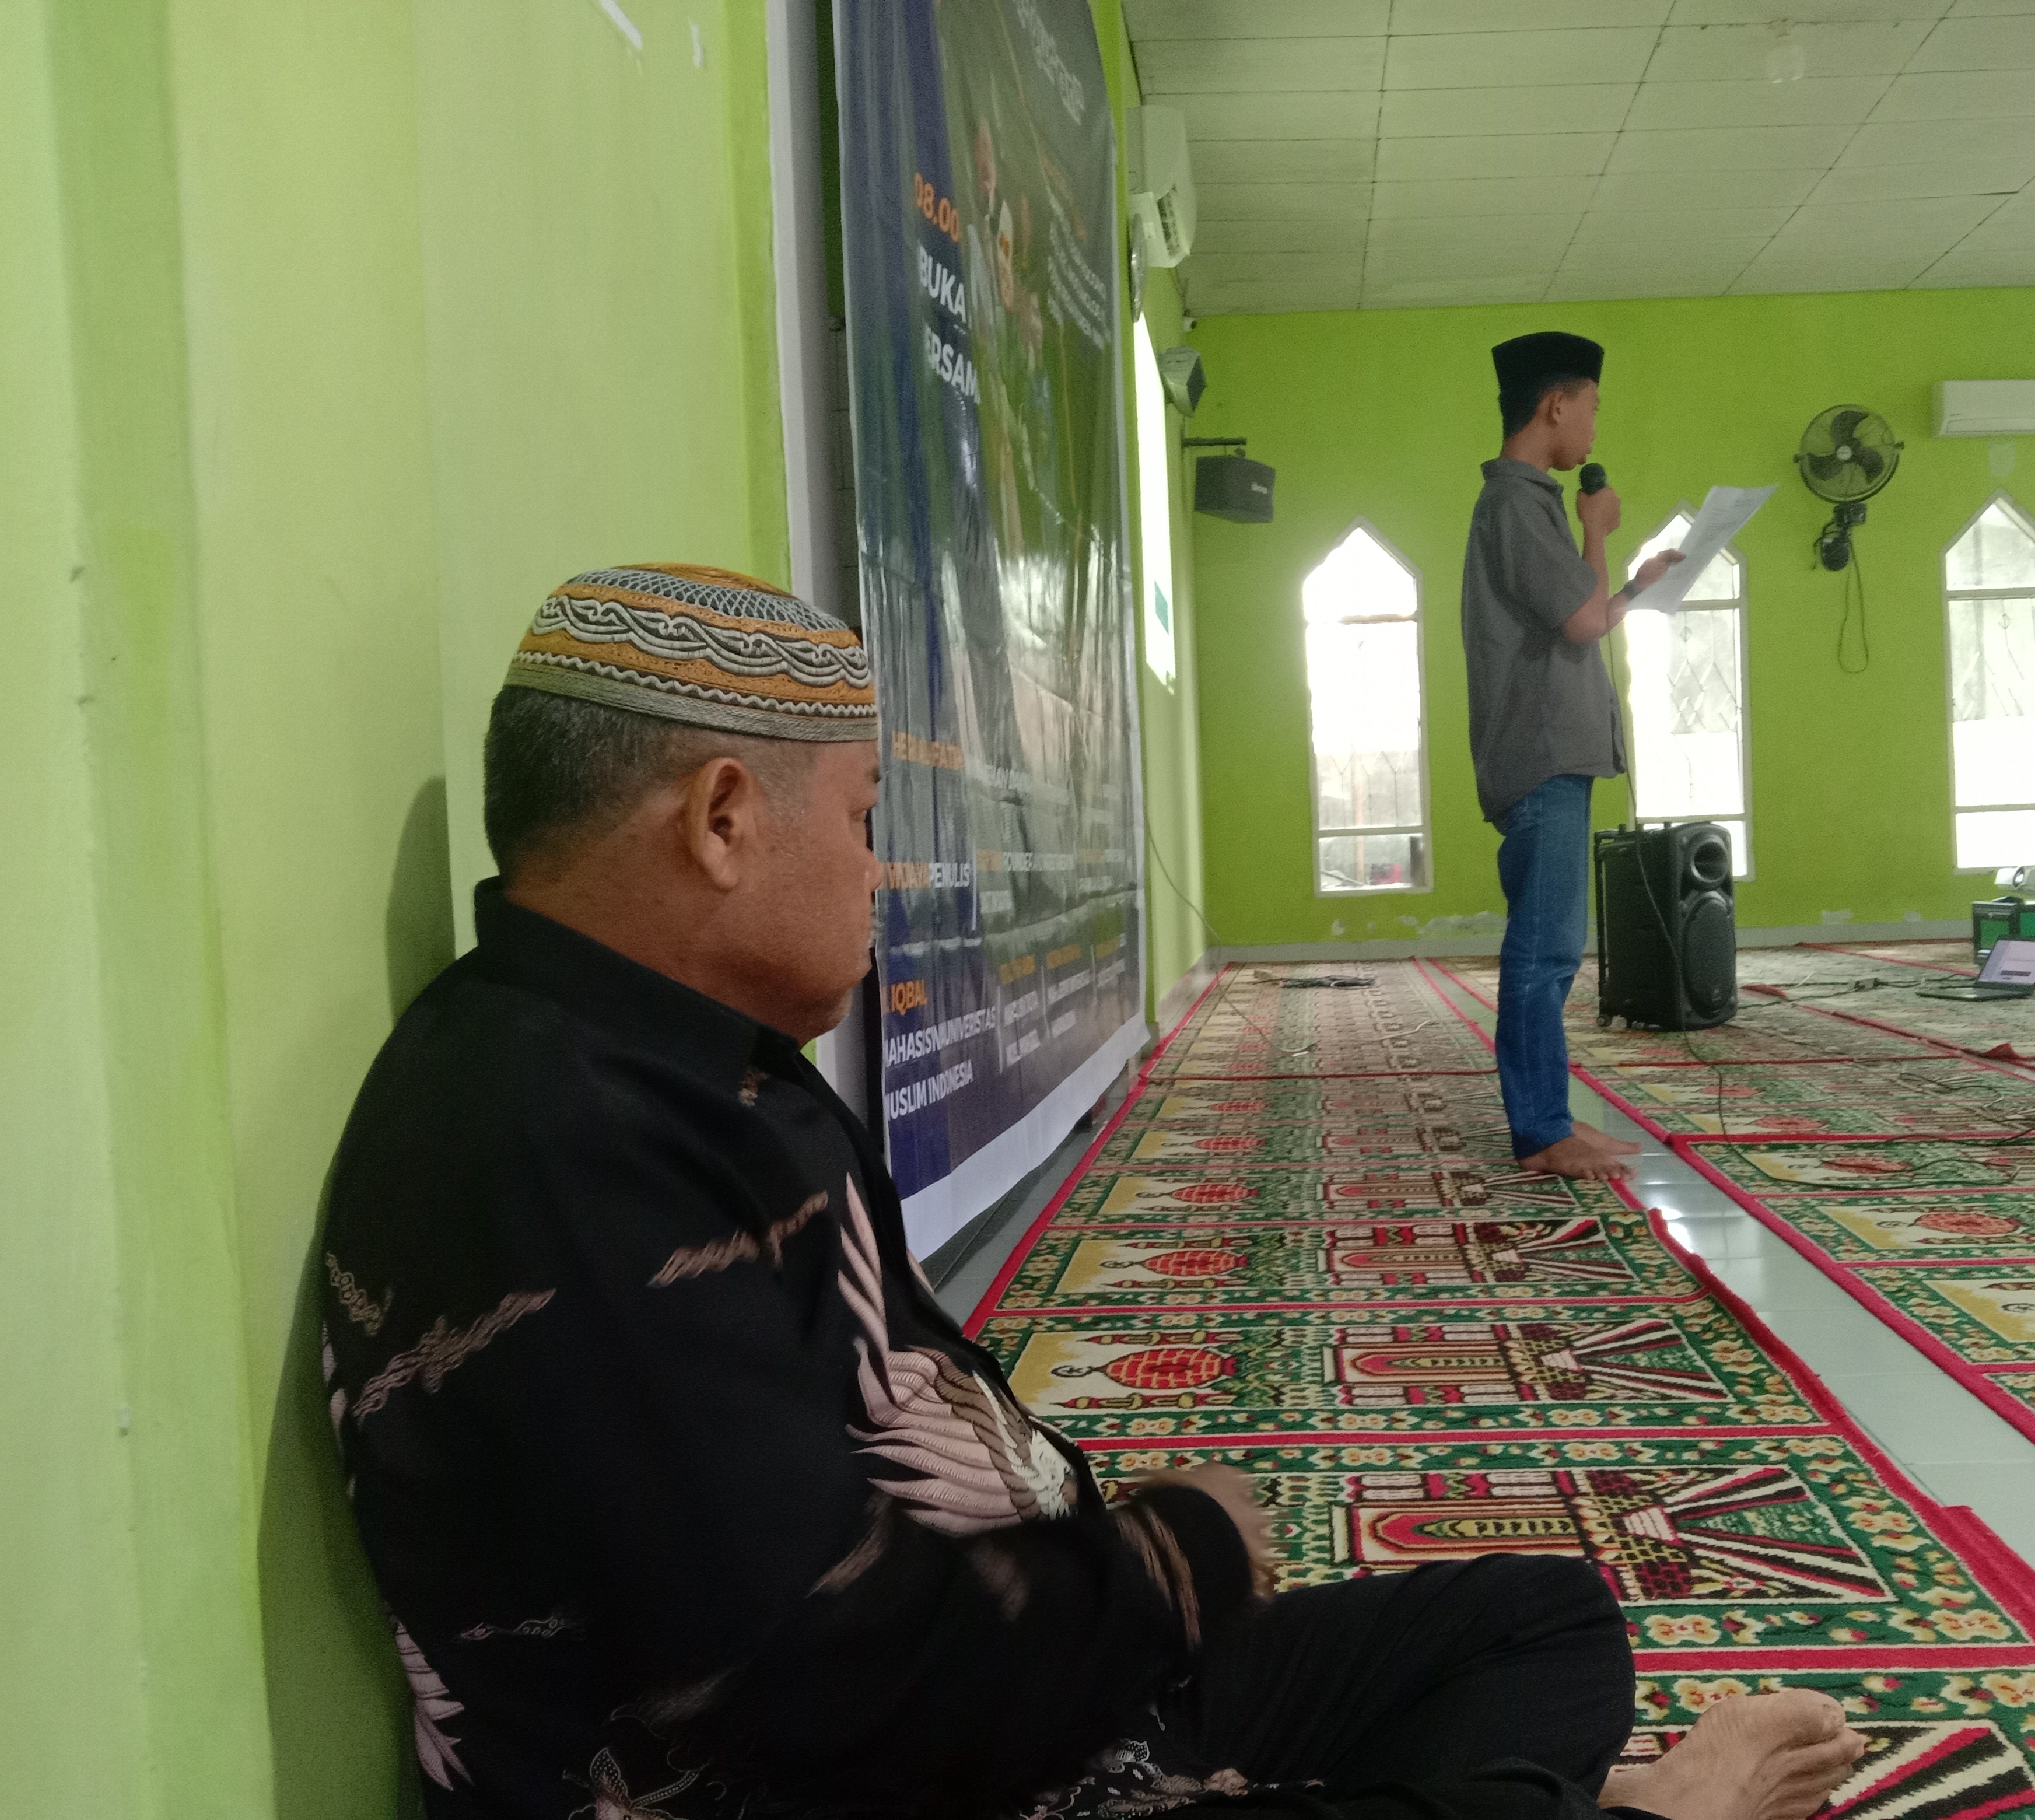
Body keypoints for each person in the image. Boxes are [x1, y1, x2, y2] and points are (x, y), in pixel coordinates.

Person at [322, 563, 1864, 1819]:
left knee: (1546, 1622)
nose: (878, 873)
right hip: (893, 1773)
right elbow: (825, 1687)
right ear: (722, 819)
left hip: (1023, 1707)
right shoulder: (552, 1143)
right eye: (860, 819)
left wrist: (1116, 1579)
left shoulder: (674, 1065)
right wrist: (1171, 1561)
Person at [1461, 334, 1685, 1181]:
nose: (1594, 427)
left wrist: (1634, 586)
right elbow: (1584, 623)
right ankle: (1541, 1133)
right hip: (1542, 755)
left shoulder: (1527, 504)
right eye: (1591, 407)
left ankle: (1549, 1119)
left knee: (1552, 949)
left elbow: (1582, 615)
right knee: (1543, 952)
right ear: (1556, 405)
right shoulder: (1517, 505)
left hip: (1556, 752)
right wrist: (1599, 532)